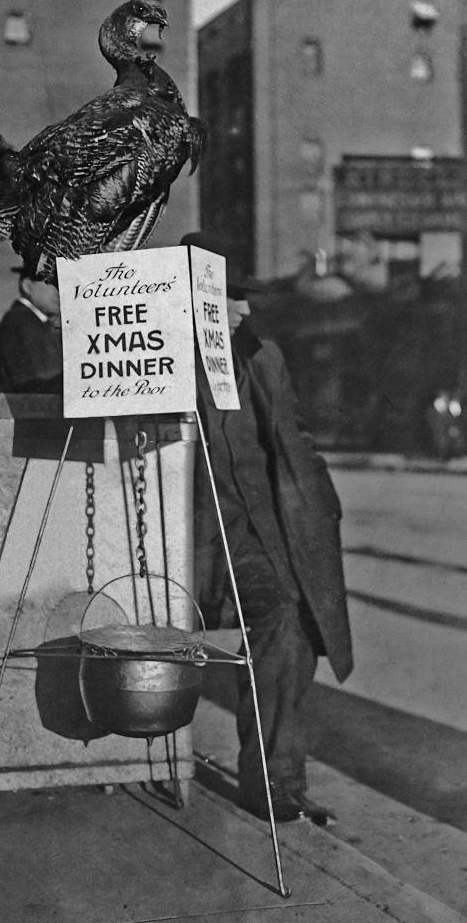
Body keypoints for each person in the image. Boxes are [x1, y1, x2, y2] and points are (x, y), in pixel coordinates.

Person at [183, 232, 353, 825]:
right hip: (212, 532)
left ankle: (283, 778)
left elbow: (296, 437)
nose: (244, 309)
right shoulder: (166, 359)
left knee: (301, 628)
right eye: (231, 296)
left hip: (278, 527)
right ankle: (272, 782)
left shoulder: (263, 353)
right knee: (278, 618)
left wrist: (322, 505)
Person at [0, 268, 64, 394]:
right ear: (27, 286)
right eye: (51, 284)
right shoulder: (19, 321)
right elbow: (32, 381)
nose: (59, 292)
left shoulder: (35, 321)